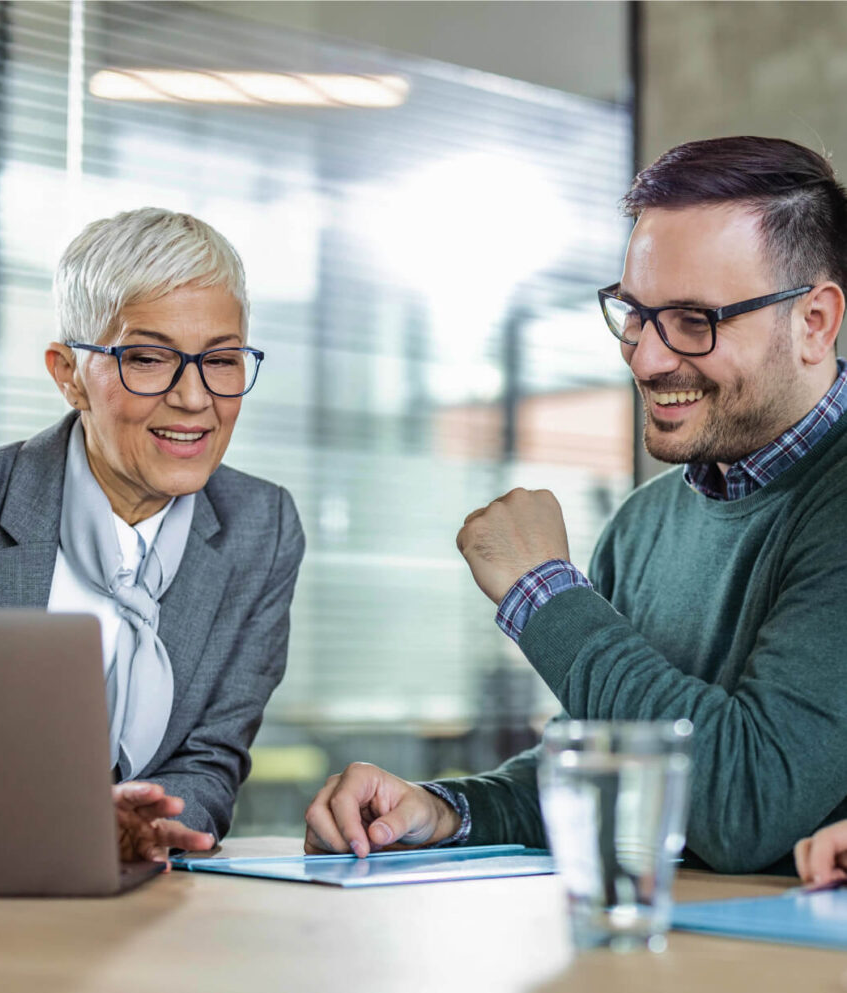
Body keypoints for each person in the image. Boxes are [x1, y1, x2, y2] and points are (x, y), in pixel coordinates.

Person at [305, 136, 847, 875]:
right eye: (635, 312)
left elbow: (744, 803)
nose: (647, 357)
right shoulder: (645, 523)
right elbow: (609, 771)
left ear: (814, 322)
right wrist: (446, 810)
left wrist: (545, 595)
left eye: (695, 320)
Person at [0, 208, 304, 866]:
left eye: (222, 360)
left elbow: (211, 759)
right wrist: (56, 825)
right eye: (148, 359)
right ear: (68, 373)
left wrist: (147, 826)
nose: (193, 398)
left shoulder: (260, 528)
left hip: (138, 898)